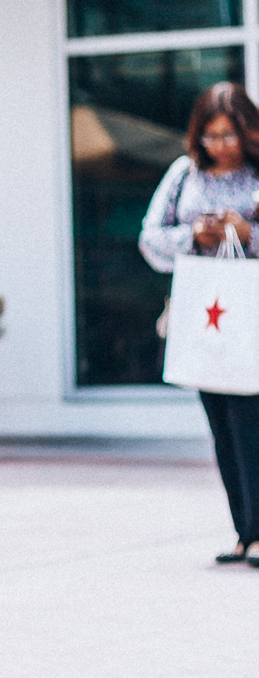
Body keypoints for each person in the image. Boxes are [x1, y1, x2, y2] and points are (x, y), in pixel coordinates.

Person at [141, 80, 259, 563]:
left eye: (229, 135)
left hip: (251, 312)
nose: (220, 146)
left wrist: (248, 233)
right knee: (222, 424)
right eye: (211, 136)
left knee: (252, 422)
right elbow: (150, 239)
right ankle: (243, 531)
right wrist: (196, 235)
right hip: (205, 314)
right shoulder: (182, 174)